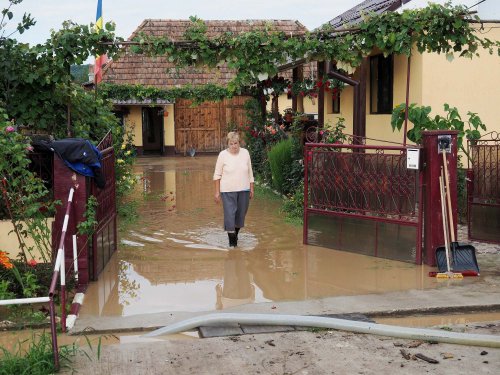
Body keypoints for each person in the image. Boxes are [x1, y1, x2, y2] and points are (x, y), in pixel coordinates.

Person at [213, 132, 254, 247]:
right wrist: (217, 192)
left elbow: (250, 172)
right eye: (231, 144)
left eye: (236, 143)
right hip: (227, 191)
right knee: (230, 216)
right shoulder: (223, 155)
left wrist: (251, 188)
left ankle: (235, 235)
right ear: (228, 144)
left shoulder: (245, 153)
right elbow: (217, 174)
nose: (234, 146)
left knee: (240, 216)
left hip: (244, 189)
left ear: (239, 143)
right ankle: (232, 245)